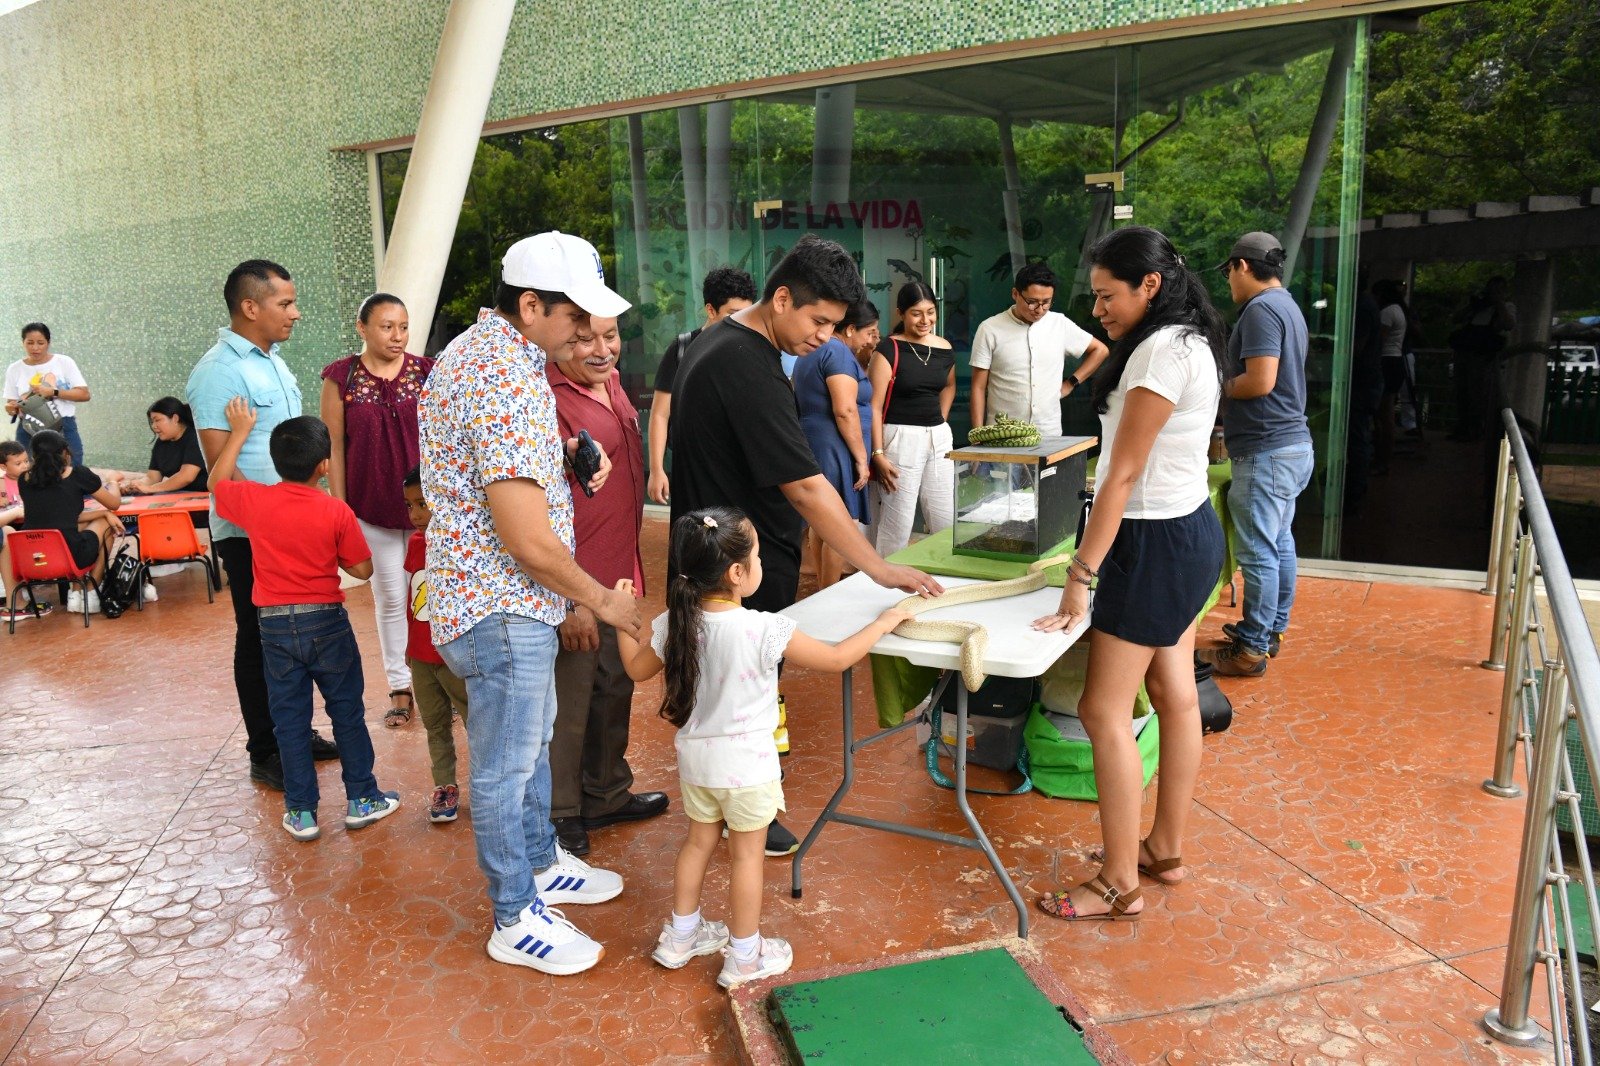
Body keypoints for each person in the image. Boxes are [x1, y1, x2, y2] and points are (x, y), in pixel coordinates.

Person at [668, 234, 943, 859]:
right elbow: (805, 486)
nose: (825, 337)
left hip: (719, 556)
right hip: (734, 569)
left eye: (835, 326)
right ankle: (748, 817)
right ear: (782, 297)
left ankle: (729, 809)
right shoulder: (744, 362)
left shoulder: (729, 338)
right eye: (818, 321)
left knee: (728, 689)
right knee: (741, 697)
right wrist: (876, 567)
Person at [418, 230, 641, 977]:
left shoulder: (495, 358)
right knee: (508, 764)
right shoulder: (502, 379)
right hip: (502, 603)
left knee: (533, 740)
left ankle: (543, 864)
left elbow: (501, 477)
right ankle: (514, 912)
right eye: (576, 318)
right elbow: (525, 539)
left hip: (505, 600)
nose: (589, 336)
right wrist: (601, 602)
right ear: (530, 305)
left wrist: (572, 463)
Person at [618, 508, 912, 988]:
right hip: (748, 770)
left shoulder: (675, 622)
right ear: (737, 574)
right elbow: (838, 658)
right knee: (746, 858)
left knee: (697, 843)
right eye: (757, 555)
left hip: (697, 765)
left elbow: (634, 670)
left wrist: (618, 615)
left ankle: (680, 936)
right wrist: (886, 621)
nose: (761, 561)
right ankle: (745, 955)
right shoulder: (763, 629)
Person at [1032, 226, 1226, 922]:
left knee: (1102, 709)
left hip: (1154, 544)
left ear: (1149, 285)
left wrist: (1080, 574)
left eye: (1107, 296)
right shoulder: (1188, 342)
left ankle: (1118, 881)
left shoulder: (1157, 355)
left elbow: (1120, 477)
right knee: (1175, 692)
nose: (1099, 311)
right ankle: (1163, 848)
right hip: (1190, 532)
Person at [209, 403, 400, 842]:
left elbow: (217, 483)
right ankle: (362, 801)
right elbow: (363, 571)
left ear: (276, 461)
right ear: (324, 465)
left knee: (289, 721)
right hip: (327, 623)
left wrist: (239, 430)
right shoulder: (335, 511)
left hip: (273, 628)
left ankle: (301, 812)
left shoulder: (256, 500)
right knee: (346, 712)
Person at [187, 259, 338, 791]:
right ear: (251, 307)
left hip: (293, 526)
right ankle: (266, 749)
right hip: (251, 534)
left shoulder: (273, 362)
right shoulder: (218, 372)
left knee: (299, 635)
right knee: (259, 639)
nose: (295, 313)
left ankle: (295, 733)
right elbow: (218, 470)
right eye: (285, 303)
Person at [547, 314, 667, 858]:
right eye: (584, 338)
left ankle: (606, 793)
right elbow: (541, 513)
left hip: (619, 572)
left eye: (611, 335)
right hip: (574, 582)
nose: (601, 348)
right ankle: (563, 811)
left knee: (614, 688)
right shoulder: (544, 396)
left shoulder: (612, 383)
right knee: (571, 702)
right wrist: (571, 599)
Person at [1196, 232, 1313, 677]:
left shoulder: (1262, 310)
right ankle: (1269, 630)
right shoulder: (1288, 305)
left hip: (1267, 450)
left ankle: (1250, 650)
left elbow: (1260, 381)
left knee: (1259, 552)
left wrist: (1210, 388)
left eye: (1228, 272)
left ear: (1242, 266)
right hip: (1291, 446)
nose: (1228, 281)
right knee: (1279, 542)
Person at [320, 293, 434, 727]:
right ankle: (401, 687)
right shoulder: (340, 377)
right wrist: (342, 509)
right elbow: (333, 445)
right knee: (390, 596)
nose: (397, 336)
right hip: (371, 508)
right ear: (362, 327)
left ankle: (438, 681)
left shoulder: (427, 371)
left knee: (431, 594)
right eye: (387, 326)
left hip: (429, 511)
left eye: (403, 326)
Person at [646, 267, 757, 504]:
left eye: (747, 314)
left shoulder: (751, 349)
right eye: (733, 314)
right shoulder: (682, 348)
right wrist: (656, 470)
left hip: (739, 469)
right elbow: (660, 414)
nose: (741, 322)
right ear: (710, 309)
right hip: (692, 469)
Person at [791, 299, 878, 589]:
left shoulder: (813, 351)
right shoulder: (838, 351)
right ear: (850, 329)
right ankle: (827, 593)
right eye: (870, 332)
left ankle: (821, 588)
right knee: (841, 527)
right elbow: (845, 410)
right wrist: (861, 457)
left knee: (822, 524)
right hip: (835, 446)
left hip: (816, 442)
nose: (871, 340)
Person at [401, 467, 470, 825]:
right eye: (410, 505)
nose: (415, 514)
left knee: (477, 721)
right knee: (435, 724)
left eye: (423, 503)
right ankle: (445, 786)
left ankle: (493, 786)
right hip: (422, 659)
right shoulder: (414, 544)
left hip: (454, 654)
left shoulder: (459, 540)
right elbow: (413, 597)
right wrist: (409, 648)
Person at [868, 281, 957, 557]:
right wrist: (878, 453)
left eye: (931, 312)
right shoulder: (887, 349)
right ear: (901, 314)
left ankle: (946, 579)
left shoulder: (943, 347)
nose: (925, 320)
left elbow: (949, 385)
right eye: (916, 313)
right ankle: (884, 586)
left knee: (944, 516)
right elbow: (874, 406)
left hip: (939, 437)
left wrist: (940, 419)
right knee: (899, 522)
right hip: (899, 437)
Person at [969, 262, 1110, 435]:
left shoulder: (1059, 323)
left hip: (1048, 431)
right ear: (1015, 294)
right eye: (1032, 302)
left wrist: (1071, 383)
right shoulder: (990, 329)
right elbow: (978, 387)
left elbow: (1100, 350)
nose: (1039, 310)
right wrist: (977, 435)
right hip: (1002, 435)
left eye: (1046, 302)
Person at [16, 429, 124, 614]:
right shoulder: (78, 474)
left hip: (34, 559)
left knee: (81, 526)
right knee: (107, 526)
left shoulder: (24, 479)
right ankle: (90, 593)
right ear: (65, 452)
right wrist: (112, 483)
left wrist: (101, 513)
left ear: (33, 455)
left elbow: (60, 516)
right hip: (69, 557)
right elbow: (114, 503)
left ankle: (75, 595)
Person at [118, 397, 210, 530]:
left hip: (203, 503)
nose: (154, 426)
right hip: (178, 501)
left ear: (175, 418)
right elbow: (152, 477)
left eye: (157, 420)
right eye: (152, 422)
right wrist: (136, 485)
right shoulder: (161, 443)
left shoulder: (194, 438)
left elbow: (186, 476)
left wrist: (151, 489)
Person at [5, 323, 90, 465]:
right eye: (30, 343)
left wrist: (54, 392)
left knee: (72, 466)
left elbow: (84, 394)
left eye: (40, 343)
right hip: (29, 427)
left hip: (63, 424)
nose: (35, 348)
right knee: (29, 471)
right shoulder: (15, 368)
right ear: (23, 343)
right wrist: (11, 408)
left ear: (48, 343)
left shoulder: (64, 362)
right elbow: (11, 402)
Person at [1449, 277, 1516, 442]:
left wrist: (1499, 302)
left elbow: (1508, 324)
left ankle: (1477, 429)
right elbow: (1456, 318)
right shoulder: (1477, 308)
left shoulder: (1507, 307)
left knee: (1479, 395)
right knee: (1462, 392)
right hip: (1466, 354)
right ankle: (1463, 427)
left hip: (1484, 358)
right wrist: (1474, 304)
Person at [0, 439, 52, 624]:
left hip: (26, 525)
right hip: (13, 526)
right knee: (9, 535)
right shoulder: (2, 483)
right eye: (18, 463)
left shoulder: (32, 478)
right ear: (3, 467)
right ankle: (17, 596)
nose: (24, 466)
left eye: (26, 461)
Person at [1371, 279, 1411, 476]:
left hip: (1387, 362)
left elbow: (1379, 340)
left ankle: (1382, 460)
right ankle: (1383, 458)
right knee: (1386, 415)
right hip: (1395, 361)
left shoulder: (1388, 312)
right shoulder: (1399, 310)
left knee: (1384, 416)